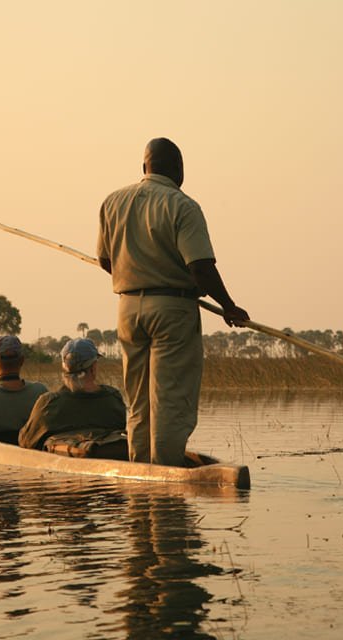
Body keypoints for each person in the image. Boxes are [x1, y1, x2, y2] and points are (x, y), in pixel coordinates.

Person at [96, 137, 250, 466]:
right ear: (180, 171)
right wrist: (228, 306)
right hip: (171, 310)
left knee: (138, 402)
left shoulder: (112, 202)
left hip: (127, 308)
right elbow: (201, 268)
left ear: (144, 168)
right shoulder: (182, 206)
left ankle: (140, 472)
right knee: (169, 401)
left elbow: (105, 261)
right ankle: (165, 474)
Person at [18, 338, 127, 458]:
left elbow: (26, 441)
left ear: (64, 368)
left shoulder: (48, 403)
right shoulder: (113, 398)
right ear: (93, 368)